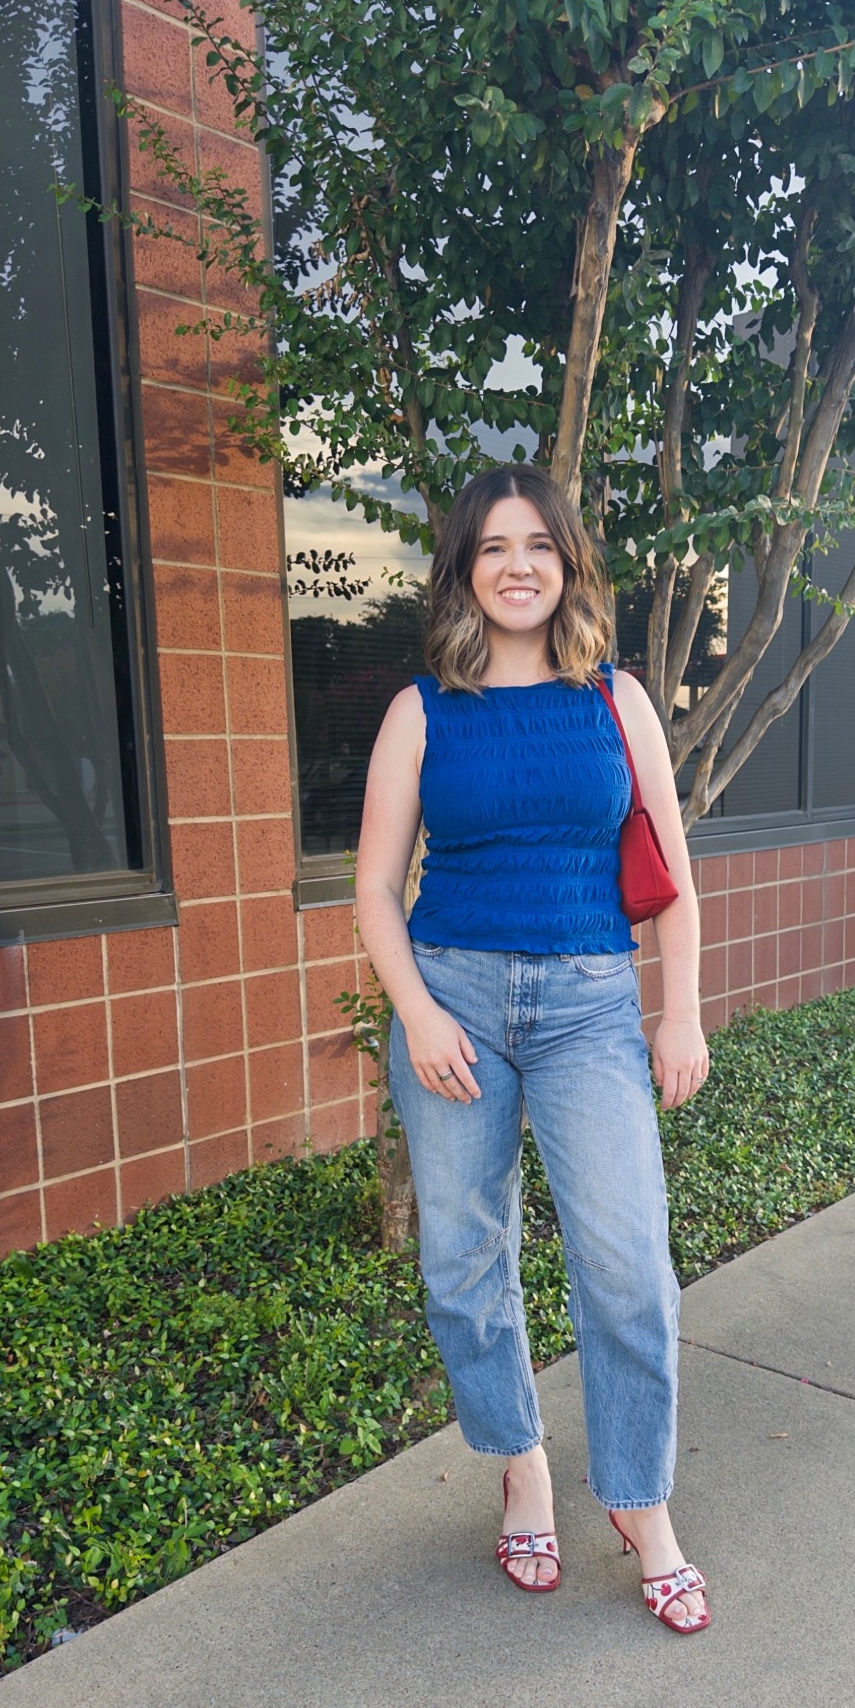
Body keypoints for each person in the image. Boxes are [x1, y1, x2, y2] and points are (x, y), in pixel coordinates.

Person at [355, 464, 712, 1633]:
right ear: (465, 567)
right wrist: (415, 1010)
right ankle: (523, 1464)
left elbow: (672, 879)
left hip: (590, 1008)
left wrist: (681, 1008)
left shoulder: (618, 698)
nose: (519, 564)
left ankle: (641, 1502)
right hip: (451, 998)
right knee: (464, 1257)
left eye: (540, 546)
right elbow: (372, 888)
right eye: (495, 545)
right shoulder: (420, 710)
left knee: (627, 1262)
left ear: (568, 565)